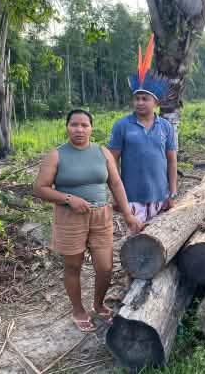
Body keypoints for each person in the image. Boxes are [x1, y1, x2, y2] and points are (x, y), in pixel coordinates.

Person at [33, 109, 143, 332]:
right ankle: (78, 310)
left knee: (105, 267)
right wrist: (68, 198)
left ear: (91, 128)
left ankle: (98, 303)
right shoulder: (57, 154)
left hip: (101, 216)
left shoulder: (102, 152)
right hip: (69, 218)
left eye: (84, 125)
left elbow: (116, 184)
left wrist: (128, 214)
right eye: (74, 124)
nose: (79, 129)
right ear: (67, 127)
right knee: (73, 266)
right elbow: (39, 188)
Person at [108, 33, 178, 223]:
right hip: (132, 198)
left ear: (155, 102)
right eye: (137, 98)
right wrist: (116, 196)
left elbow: (171, 161)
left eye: (144, 99)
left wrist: (172, 193)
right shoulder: (122, 125)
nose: (140, 102)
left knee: (163, 242)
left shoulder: (165, 127)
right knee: (136, 243)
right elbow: (112, 162)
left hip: (160, 197)